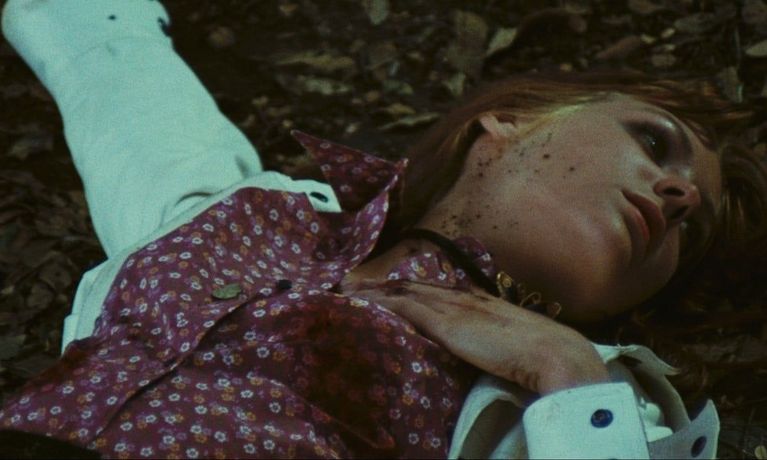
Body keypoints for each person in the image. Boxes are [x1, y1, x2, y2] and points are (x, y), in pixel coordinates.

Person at [0, 0, 764, 458]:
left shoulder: (600, 408)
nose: (677, 198)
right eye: (652, 142)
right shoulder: (248, 215)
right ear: (510, 119)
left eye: (690, 230)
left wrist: (566, 375)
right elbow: (118, 78)